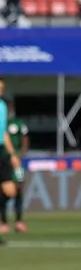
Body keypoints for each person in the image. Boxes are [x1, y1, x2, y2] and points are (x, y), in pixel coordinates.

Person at [0, 97, 29, 232]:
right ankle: (3, 222)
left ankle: (18, 220)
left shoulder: (17, 123)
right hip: (4, 158)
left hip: (13, 160)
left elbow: (25, 138)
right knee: (6, 189)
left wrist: (18, 155)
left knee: (16, 188)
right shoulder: (4, 123)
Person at [0, 80, 22, 236]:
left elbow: (4, 133)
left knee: (10, 190)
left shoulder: (2, 107)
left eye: (2, 88)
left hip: (1, 152)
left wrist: (13, 154)